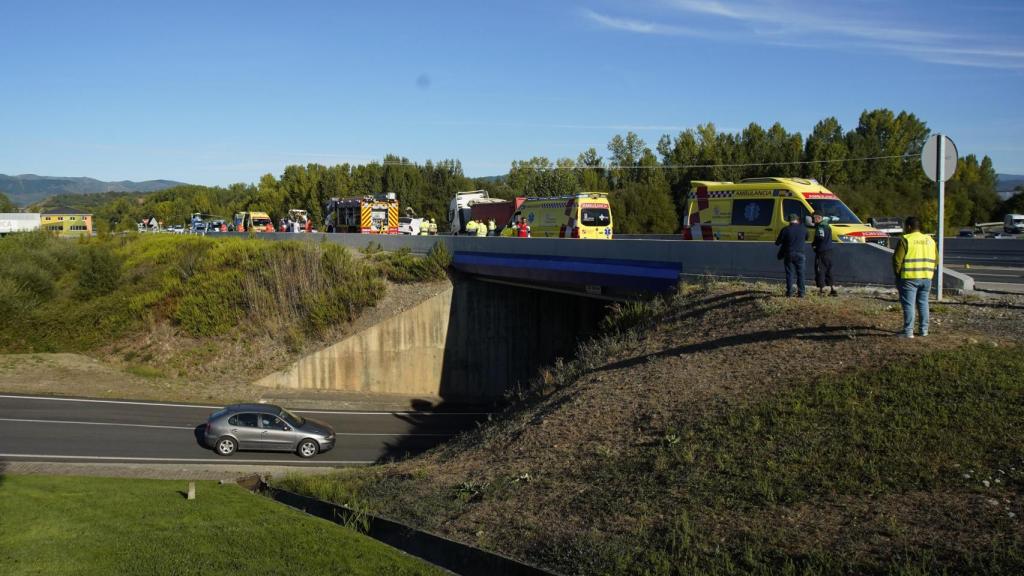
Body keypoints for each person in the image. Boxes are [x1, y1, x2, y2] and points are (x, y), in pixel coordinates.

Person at [892, 216, 937, 338]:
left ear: (909, 227)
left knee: (909, 305)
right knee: (923, 303)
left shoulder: (905, 239)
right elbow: (936, 260)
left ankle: (908, 332)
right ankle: (924, 330)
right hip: (927, 278)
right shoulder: (930, 240)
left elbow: (897, 260)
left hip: (909, 278)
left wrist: (898, 275)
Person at [774, 213, 807, 297]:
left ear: (789, 220)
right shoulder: (803, 228)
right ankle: (802, 293)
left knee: (790, 274)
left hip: (789, 254)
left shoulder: (785, 229)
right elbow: (806, 237)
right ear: (797, 219)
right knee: (801, 274)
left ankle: (789, 292)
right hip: (800, 253)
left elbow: (778, 243)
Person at [812, 213, 839, 296]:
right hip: (829, 250)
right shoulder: (826, 223)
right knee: (829, 270)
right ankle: (833, 289)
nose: (812, 220)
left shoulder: (820, 227)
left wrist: (814, 244)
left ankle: (822, 290)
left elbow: (820, 237)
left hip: (822, 251)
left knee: (820, 270)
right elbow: (833, 218)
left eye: (813, 218)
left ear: (818, 218)